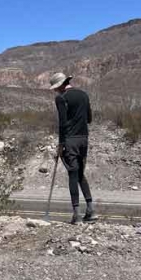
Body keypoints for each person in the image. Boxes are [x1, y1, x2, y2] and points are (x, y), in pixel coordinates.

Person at [49, 72, 96, 224]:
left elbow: (62, 123)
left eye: (56, 88)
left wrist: (61, 144)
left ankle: (77, 215)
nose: (56, 91)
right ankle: (91, 210)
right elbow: (89, 119)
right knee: (81, 174)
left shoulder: (61, 98)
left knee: (73, 175)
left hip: (70, 140)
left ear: (60, 85)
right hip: (84, 138)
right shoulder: (84, 95)